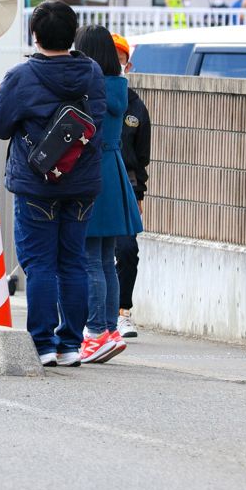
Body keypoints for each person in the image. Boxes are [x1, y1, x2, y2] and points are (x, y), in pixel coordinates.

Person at [0, 0, 105, 367]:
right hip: (82, 182)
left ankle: (43, 343)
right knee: (73, 262)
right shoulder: (93, 73)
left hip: (38, 183)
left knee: (39, 264)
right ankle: (70, 345)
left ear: (35, 35)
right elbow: (96, 123)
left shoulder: (22, 76)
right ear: (73, 33)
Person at [75, 25, 143, 363]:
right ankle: (110, 330)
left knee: (90, 257)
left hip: (93, 169)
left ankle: (95, 333)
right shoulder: (119, 85)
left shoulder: (90, 86)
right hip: (114, 170)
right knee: (105, 259)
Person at [112, 34, 150, 340]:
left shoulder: (136, 107)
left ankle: (123, 312)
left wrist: (139, 195)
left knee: (127, 250)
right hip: (94, 186)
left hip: (126, 187)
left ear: (129, 64)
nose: (116, 62)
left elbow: (141, 157)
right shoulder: (89, 97)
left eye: (120, 57)